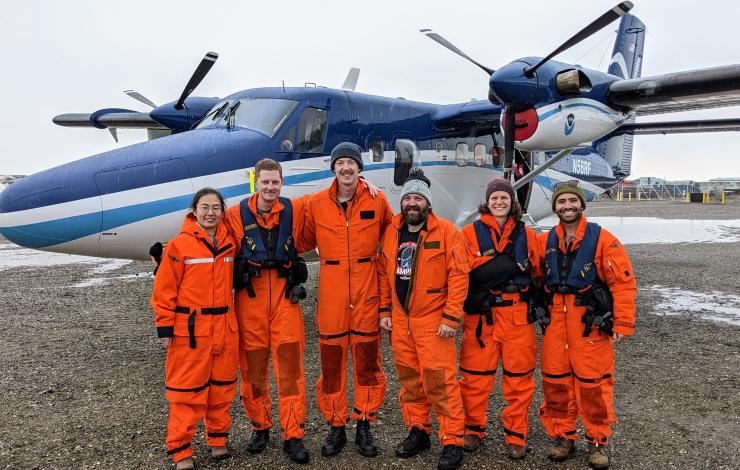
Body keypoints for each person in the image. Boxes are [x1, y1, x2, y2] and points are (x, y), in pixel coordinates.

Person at [301, 142, 393, 458]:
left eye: (351, 163)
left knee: (368, 365)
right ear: (334, 168)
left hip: (367, 294)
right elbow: (297, 238)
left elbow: (393, 243)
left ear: (359, 168)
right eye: (340, 163)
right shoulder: (315, 203)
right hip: (331, 297)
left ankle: (365, 422)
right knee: (331, 365)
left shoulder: (378, 201)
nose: (346, 168)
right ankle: (336, 425)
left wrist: (387, 302)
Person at [538, 180, 637, 469]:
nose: (567, 206)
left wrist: (623, 322)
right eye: (561, 202)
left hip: (589, 326)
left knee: (594, 387)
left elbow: (623, 283)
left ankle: (597, 441)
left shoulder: (603, 239)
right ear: (555, 206)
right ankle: (563, 435)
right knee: (555, 383)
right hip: (555, 324)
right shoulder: (545, 241)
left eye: (572, 201)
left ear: (582, 204)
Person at [377, 168, 469, 470]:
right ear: (402, 202)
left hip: (433, 322)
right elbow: (383, 273)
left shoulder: (446, 232)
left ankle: (452, 439)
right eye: (408, 198)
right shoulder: (391, 231)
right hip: (401, 322)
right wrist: (385, 311)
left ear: (427, 203)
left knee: (440, 382)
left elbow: (458, 276)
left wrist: (451, 317)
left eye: (418, 198)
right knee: (410, 382)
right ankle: (419, 430)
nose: (412, 203)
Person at [224, 158, 312, 464]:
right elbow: (208, 237)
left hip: (285, 300)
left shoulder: (295, 209)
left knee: (290, 371)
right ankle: (260, 426)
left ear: (282, 183)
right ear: (256, 182)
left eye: (275, 182)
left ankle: (293, 433)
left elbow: (329, 206)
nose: (270, 188)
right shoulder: (235, 215)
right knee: (253, 371)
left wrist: (363, 184)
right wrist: (168, 255)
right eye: (265, 182)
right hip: (250, 300)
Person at [151, 188, 238, 470]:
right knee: (187, 393)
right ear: (194, 210)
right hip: (190, 329)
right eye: (205, 207)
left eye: (215, 207)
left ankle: (217, 440)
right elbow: (164, 289)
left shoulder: (229, 242)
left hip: (224, 325)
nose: (210, 213)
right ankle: (181, 451)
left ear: (222, 211)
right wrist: (165, 328)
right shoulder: (179, 245)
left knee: (222, 388)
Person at [458, 178, 543, 460]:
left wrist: (489, 266)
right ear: (487, 201)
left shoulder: (528, 236)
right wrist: (506, 266)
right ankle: (472, 430)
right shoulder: (470, 233)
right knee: (473, 379)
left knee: (519, 381)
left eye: (504, 198)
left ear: (512, 202)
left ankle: (516, 436)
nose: (499, 202)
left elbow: (538, 271)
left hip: (517, 313)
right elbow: (465, 271)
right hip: (483, 316)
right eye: (494, 198)